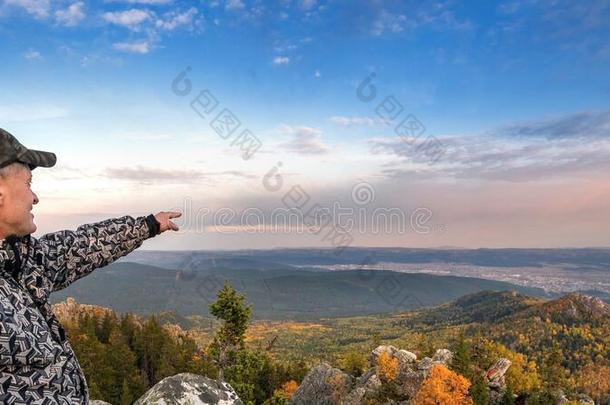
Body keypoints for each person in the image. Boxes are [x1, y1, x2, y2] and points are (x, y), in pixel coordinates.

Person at [0, 128, 181, 403]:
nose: (34, 197)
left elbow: (79, 247)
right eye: (28, 184)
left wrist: (148, 225)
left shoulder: (19, 259)